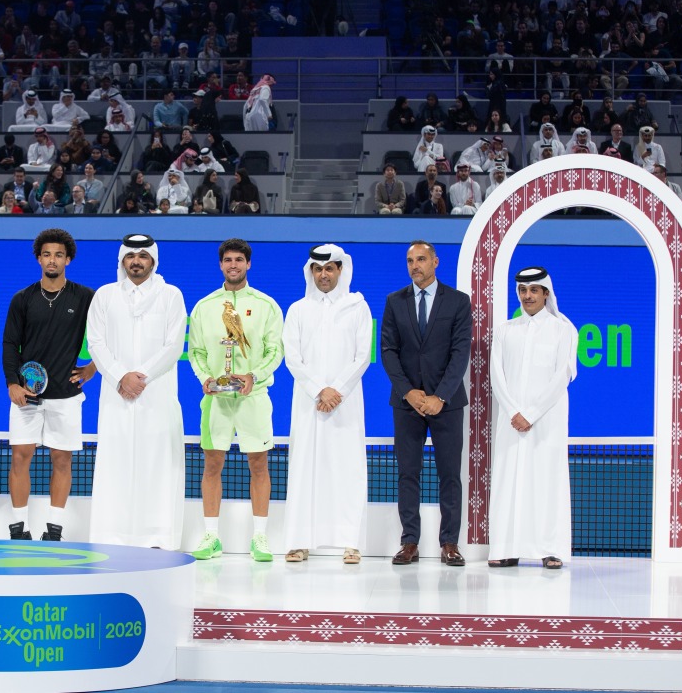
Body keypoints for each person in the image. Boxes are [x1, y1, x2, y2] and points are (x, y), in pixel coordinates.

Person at [86, 235, 188, 550]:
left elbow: (173, 346)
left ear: (153, 261)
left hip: (156, 396)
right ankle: (111, 535)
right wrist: (120, 377)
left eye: (143, 256)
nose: (136, 261)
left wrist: (140, 378)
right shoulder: (104, 296)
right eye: (131, 256)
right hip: (116, 397)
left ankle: (157, 535)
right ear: (122, 261)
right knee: (114, 464)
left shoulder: (171, 295)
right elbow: (96, 343)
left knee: (158, 465)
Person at [187, 238, 284, 562]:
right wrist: (205, 379)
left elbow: (275, 352)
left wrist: (253, 376)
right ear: (220, 265)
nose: (233, 265)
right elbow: (197, 353)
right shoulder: (204, 307)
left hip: (253, 398)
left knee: (259, 464)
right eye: (228, 260)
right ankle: (211, 536)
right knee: (212, 464)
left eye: (239, 260)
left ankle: (261, 537)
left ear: (248, 264)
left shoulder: (267, 305)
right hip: (216, 401)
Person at [380, 240, 472, 567]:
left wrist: (439, 396)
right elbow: (388, 352)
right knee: (408, 473)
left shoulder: (459, 303)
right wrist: (409, 392)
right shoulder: (394, 302)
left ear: (435, 262)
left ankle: (450, 543)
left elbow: (461, 353)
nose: (415, 265)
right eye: (410, 260)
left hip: (446, 404)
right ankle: (409, 542)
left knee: (450, 475)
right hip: (407, 404)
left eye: (421, 259)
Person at [2, 230, 97, 540]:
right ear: (39, 258)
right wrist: (12, 384)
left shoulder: (85, 297)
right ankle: (19, 529)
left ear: (67, 259)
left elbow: (106, 337)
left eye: (58, 254)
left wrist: (92, 368)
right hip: (26, 397)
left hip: (66, 396)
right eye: (47, 254)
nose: (52, 259)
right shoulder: (22, 299)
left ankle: (54, 530)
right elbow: (9, 344)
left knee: (62, 459)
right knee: (20, 456)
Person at [283, 245, 372, 563]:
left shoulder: (357, 307)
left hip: (345, 405)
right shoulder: (297, 309)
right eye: (318, 269)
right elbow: (292, 357)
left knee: (347, 468)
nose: (323, 274)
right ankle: (298, 540)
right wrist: (320, 390)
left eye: (329, 268)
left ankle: (351, 542)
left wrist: (337, 391)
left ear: (340, 270)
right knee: (304, 467)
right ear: (311, 272)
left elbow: (363, 355)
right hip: (309, 404)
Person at [488, 267, 578, 571]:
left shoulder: (562, 329)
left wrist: (531, 413)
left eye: (534, 290)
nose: (527, 296)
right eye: (523, 290)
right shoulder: (505, 330)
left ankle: (550, 550)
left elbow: (561, 376)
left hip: (546, 421)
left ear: (545, 294)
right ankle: (506, 548)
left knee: (547, 482)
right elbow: (496, 375)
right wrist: (514, 410)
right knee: (508, 481)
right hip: (510, 420)